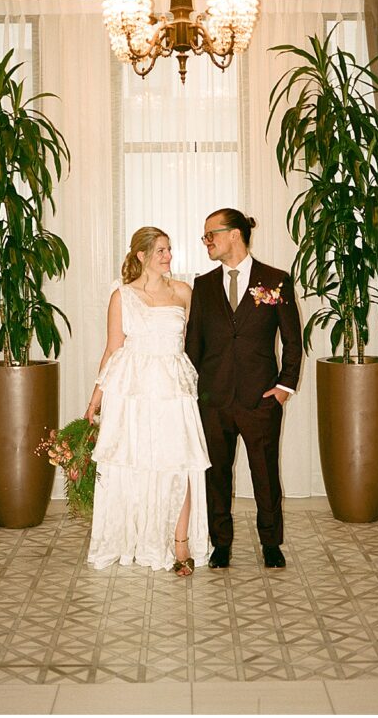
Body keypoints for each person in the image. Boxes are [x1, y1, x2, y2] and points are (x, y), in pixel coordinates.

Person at [86, 227, 211, 577]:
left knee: (181, 462)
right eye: (160, 250)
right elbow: (112, 349)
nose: (168, 256)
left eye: (169, 249)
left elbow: (195, 342)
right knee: (135, 463)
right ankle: (137, 539)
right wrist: (95, 399)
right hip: (133, 390)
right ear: (141, 256)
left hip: (174, 388)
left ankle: (180, 542)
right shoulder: (122, 296)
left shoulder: (184, 292)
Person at [185, 209, 303, 571]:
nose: (207, 242)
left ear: (234, 234)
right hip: (213, 400)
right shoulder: (202, 286)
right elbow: (193, 346)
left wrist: (283, 387)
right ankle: (221, 544)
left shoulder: (275, 279)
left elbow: (293, 341)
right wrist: (192, 393)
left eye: (210, 235)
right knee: (215, 475)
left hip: (260, 399)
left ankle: (271, 543)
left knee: (265, 475)